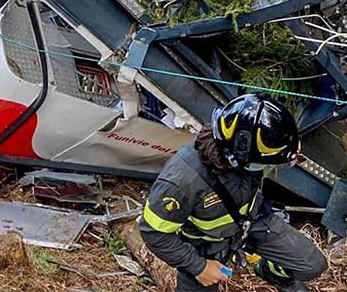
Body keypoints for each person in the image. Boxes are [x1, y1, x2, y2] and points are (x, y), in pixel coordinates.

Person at [139, 93, 327, 292]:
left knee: (312, 265)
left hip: (252, 222)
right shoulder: (181, 182)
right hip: (204, 246)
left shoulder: (243, 149)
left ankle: (270, 271)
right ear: (238, 157)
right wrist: (198, 267)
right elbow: (153, 233)